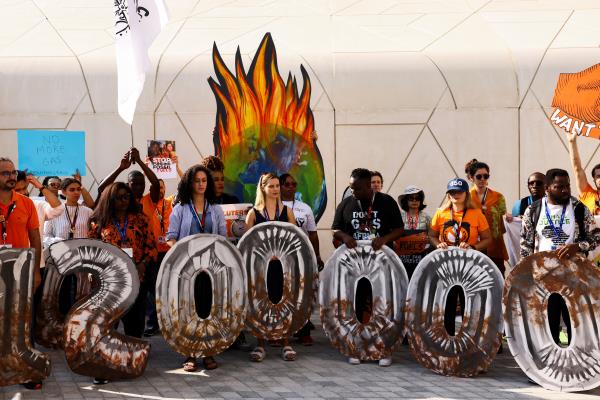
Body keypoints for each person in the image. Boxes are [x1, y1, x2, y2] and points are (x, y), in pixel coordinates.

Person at [331, 168, 404, 367]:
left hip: (381, 266)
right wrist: (345, 237)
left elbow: (399, 229)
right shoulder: (346, 203)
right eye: (351, 186)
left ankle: (383, 349)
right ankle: (357, 348)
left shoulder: (386, 202)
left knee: (382, 307)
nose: (352, 191)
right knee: (356, 307)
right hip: (354, 268)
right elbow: (336, 228)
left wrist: (385, 239)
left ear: (368, 186)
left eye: (356, 188)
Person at [520, 168, 600, 348]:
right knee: (548, 320)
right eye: (559, 186)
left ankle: (577, 364)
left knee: (576, 320)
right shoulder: (533, 210)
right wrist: (527, 274)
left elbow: (595, 237)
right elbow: (525, 245)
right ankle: (547, 369)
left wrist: (578, 247)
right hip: (544, 278)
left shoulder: (579, 208)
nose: (565, 190)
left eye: (567, 186)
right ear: (547, 188)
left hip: (574, 276)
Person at [88, 182, 156, 385]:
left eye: (127, 196)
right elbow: (93, 251)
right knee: (107, 326)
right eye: (119, 197)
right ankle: (104, 366)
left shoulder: (141, 219)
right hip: (111, 283)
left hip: (136, 279)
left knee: (135, 324)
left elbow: (150, 245)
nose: (124, 200)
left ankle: (131, 364)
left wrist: (143, 264)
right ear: (110, 199)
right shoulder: (98, 221)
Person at [166, 165, 226, 372]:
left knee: (208, 308)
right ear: (190, 184)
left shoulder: (216, 210)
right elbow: (171, 237)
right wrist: (180, 253)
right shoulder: (180, 209)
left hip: (210, 271)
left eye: (204, 181)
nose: (201, 184)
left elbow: (222, 239)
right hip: (187, 271)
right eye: (197, 181)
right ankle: (190, 353)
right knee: (187, 310)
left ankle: (209, 351)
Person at [429, 178, 492, 337]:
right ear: (448, 195)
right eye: (452, 192)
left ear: (466, 194)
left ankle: (469, 337)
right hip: (447, 265)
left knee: (468, 301)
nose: (456, 195)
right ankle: (448, 336)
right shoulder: (440, 212)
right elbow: (432, 235)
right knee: (448, 301)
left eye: (459, 192)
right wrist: (438, 244)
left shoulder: (476, 213)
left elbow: (487, 239)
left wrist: (473, 247)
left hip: (469, 266)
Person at [0, 158, 43, 390]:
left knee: (24, 325)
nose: (10, 177)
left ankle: (28, 372)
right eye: (4, 173)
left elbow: (35, 238)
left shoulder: (26, 203)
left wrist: (36, 271)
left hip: (21, 275)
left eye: (12, 172)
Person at [245, 173, 297, 362]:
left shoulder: (287, 212)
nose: (276, 189)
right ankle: (260, 345)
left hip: (282, 267)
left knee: (283, 301)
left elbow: (294, 240)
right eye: (272, 186)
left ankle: (285, 343)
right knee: (260, 303)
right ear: (263, 188)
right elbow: (247, 243)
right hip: (260, 267)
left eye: (277, 186)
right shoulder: (253, 213)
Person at [279, 173, 323, 346]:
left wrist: (317, 255)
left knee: (302, 294)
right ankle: (281, 332)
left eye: (293, 184)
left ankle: (303, 330)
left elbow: (312, 234)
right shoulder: (275, 207)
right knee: (283, 294)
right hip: (281, 258)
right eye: (287, 184)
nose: (291, 187)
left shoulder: (305, 208)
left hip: (302, 256)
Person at [43, 178, 94, 315]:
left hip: (82, 260)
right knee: (62, 294)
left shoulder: (87, 212)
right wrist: (57, 241)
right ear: (63, 192)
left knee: (81, 294)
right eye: (72, 190)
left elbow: (93, 235)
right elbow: (45, 236)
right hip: (61, 259)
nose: (76, 192)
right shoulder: (54, 211)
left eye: (78, 189)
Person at [465, 159, 509, 275]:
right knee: (474, 281)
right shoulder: (465, 197)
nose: (483, 179)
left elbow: (503, 224)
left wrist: (508, 218)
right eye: (479, 176)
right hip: (473, 246)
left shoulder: (498, 197)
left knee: (497, 279)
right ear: (471, 178)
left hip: (495, 246)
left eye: (486, 176)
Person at [141, 179, 173, 337]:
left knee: (167, 287)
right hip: (153, 253)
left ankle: (166, 322)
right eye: (157, 187)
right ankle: (153, 323)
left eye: (162, 187)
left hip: (168, 251)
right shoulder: (145, 201)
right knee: (153, 288)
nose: (160, 190)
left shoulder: (170, 203)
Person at [14, 171, 63, 241]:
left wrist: (41, 187)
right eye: (17, 190)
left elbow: (59, 209)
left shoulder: (36, 205)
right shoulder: (3, 210)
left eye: (24, 188)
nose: (23, 192)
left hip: (36, 251)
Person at [396, 185, 431, 279]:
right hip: (402, 261)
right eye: (411, 198)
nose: (414, 201)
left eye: (417, 198)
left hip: (421, 261)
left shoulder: (427, 218)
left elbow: (432, 237)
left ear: (421, 200)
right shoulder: (399, 217)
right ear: (406, 201)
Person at [567, 131, 600, 214]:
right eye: (598, 176)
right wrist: (572, 142)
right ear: (594, 179)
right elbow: (577, 169)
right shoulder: (588, 195)